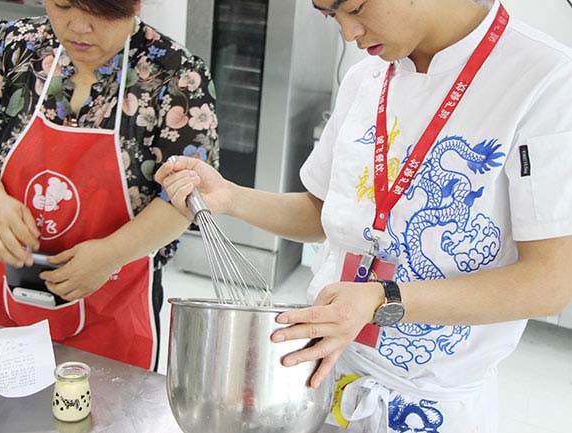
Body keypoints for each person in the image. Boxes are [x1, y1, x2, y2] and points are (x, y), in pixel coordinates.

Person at [155, 0, 572, 431]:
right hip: (324, 376)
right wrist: (230, 197)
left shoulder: (544, 78)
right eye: (330, 16)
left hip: (431, 406)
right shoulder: (367, 78)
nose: (348, 33)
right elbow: (323, 213)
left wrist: (381, 299)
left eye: (353, 7)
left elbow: (549, 283)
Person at [0, 0, 218, 370]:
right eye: (64, 5)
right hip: (3, 292)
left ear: (134, 4)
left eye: (100, 12)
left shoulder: (177, 76)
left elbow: (185, 196)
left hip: (114, 309)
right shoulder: (15, 45)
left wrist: (111, 254)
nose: (79, 27)